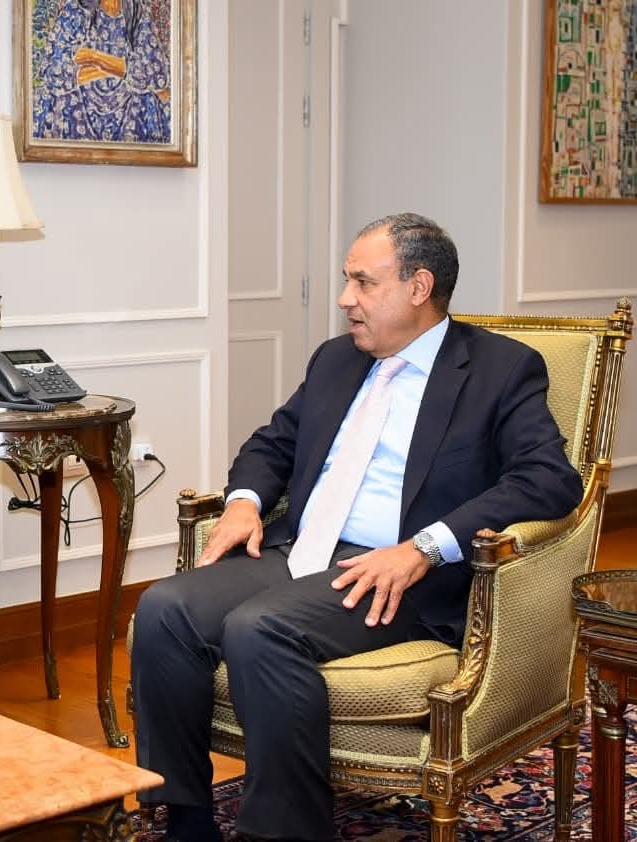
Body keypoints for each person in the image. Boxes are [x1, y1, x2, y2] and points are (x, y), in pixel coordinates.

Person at [129, 214, 584, 841]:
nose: (346, 298)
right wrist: (243, 502)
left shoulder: (500, 369)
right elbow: (273, 443)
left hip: (403, 574)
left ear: (419, 287)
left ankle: (285, 833)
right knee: (164, 609)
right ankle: (186, 822)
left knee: (260, 628)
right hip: (304, 549)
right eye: (347, 280)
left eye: (364, 282)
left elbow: (549, 479)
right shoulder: (337, 358)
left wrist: (424, 547)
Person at [33, 0, 171, 144]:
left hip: (130, 112)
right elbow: (53, 74)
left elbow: (158, 74)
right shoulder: (76, 9)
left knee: (148, 100)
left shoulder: (137, 12)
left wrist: (94, 58)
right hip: (78, 110)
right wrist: (122, 70)